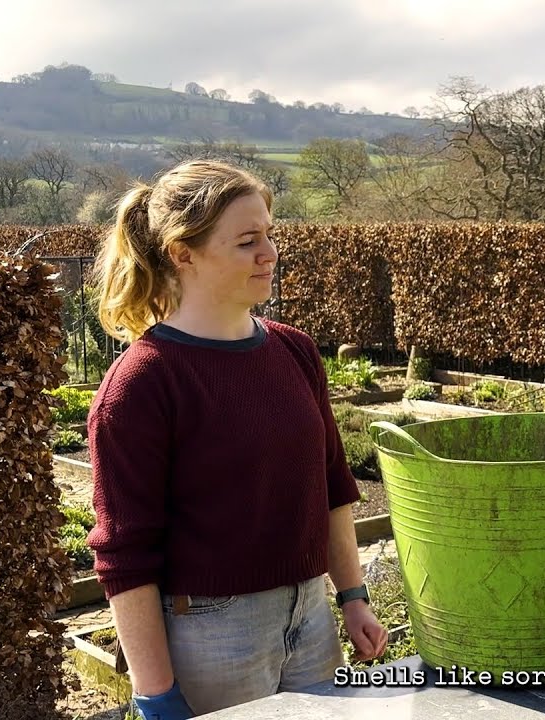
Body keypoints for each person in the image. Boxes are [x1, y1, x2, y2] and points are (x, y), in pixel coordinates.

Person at [85, 159, 388, 718]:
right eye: (248, 241)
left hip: (312, 616)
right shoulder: (142, 384)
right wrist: (156, 693)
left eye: (270, 235)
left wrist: (351, 597)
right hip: (211, 637)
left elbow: (331, 486)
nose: (269, 253)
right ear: (183, 253)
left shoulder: (294, 350)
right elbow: (125, 557)